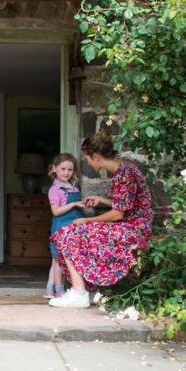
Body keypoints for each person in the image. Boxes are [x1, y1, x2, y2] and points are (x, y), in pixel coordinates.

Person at [49, 131, 153, 308]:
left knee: (67, 233)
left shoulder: (123, 173)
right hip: (132, 224)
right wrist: (103, 200)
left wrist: (87, 221)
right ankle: (86, 291)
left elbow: (118, 214)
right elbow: (125, 204)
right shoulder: (125, 169)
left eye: (88, 159)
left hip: (134, 229)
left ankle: (79, 292)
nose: (88, 163)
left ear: (96, 156)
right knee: (72, 233)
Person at [45, 153, 85, 298]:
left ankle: (49, 288)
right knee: (58, 260)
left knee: (61, 259)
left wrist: (82, 204)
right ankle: (59, 290)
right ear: (54, 168)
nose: (66, 173)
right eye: (63, 169)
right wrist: (74, 204)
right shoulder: (55, 190)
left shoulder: (74, 187)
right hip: (61, 227)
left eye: (70, 170)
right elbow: (56, 211)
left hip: (73, 227)